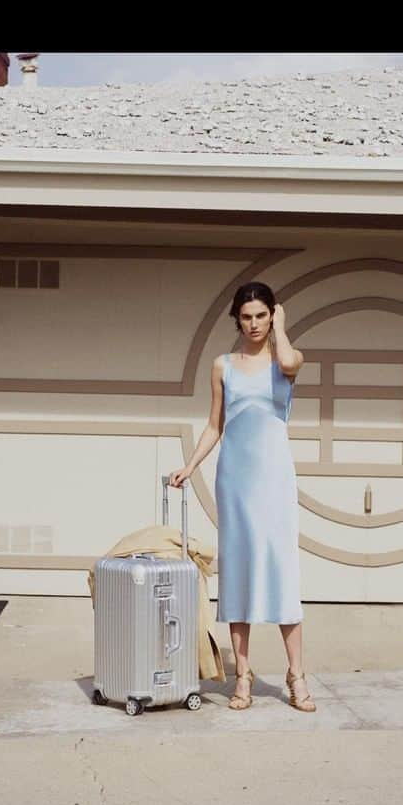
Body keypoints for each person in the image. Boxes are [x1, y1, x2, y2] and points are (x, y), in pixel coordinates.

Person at [168, 282, 316, 713]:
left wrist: (282, 328)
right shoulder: (222, 365)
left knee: (281, 570)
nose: (254, 324)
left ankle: (296, 677)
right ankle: (243, 677)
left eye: (262, 316)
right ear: (237, 319)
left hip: (275, 478)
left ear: (272, 316)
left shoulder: (288, 359)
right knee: (239, 574)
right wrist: (191, 465)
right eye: (247, 317)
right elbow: (215, 425)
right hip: (235, 479)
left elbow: (287, 360)